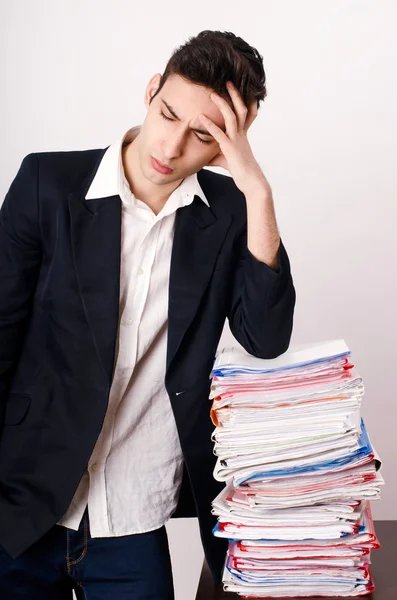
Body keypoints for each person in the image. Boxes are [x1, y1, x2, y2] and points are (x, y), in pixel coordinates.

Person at [0, 29, 296, 599]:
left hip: (134, 515)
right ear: (152, 89)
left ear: (231, 142)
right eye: (168, 114)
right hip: (23, 503)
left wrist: (257, 191)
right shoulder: (48, 184)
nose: (172, 145)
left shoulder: (231, 214)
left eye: (203, 135)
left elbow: (265, 338)